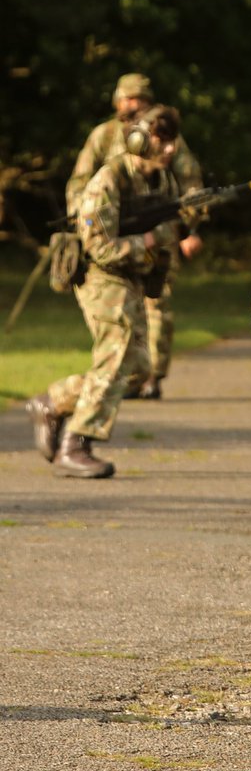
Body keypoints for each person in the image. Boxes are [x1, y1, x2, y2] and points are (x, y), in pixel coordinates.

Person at [26, 106, 187, 477]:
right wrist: (151, 239)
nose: (168, 149)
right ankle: (77, 442)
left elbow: (162, 235)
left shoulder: (160, 181)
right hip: (99, 274)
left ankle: (53, 402)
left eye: (172, 141)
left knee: (138, 370)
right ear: (140, 140)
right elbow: (101, 248)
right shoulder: (108, 181)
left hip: (130, 275)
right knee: (117, 352)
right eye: (161, 140)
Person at [66, 73, 205, 400]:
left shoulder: (166, 136)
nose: (133, 105)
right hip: (111, 235)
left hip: (158, 233)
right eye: (127, 99)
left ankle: (152, 376)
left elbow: (191, 185)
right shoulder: (103, 136)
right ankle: (71, 399)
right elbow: (79, 181)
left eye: (139, 99)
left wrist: (188, 227)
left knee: (157, 303)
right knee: (118, 330)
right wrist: (84, 220)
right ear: (117, 102)